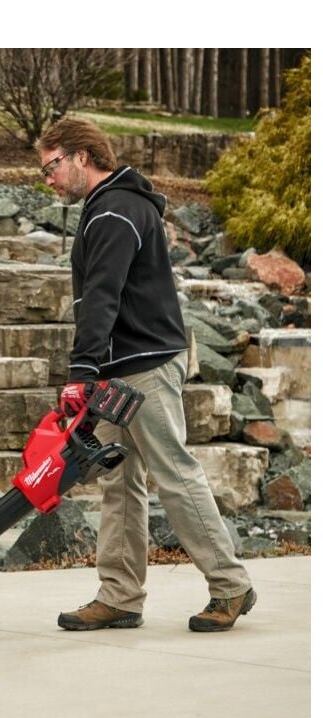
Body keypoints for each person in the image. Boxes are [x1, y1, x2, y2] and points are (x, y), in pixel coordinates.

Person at [35, 117, 256, 632]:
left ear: (81, 156)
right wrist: (95, 371)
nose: (48, 179)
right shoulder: (108, 205)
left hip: (145, 364)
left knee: (173, 473)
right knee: (119, 480)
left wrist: (81, 371)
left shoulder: (115, 210)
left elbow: (102, 295)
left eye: (51, 166)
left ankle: (231, 585)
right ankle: (120, 596)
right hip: (120, 368)